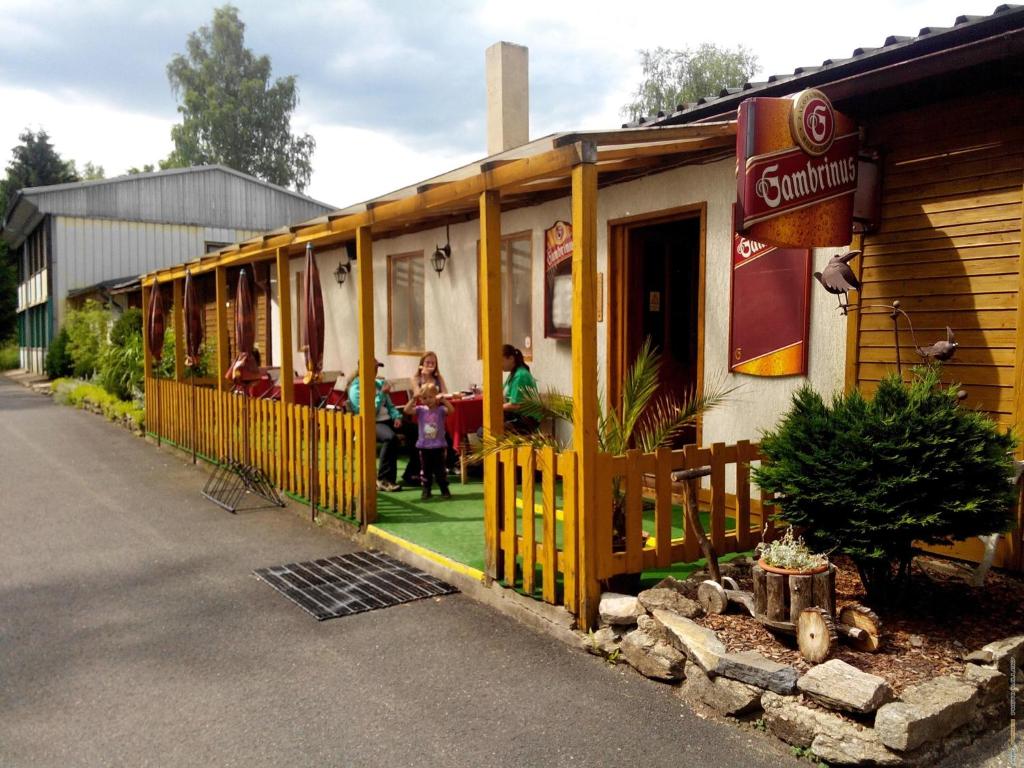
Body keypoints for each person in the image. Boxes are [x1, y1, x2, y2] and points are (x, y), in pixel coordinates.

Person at [347, 360, 404, 492]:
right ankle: (383, 480)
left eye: (377, 368)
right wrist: (382, 394)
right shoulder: (356, 389)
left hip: (387, 420)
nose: (375, 371)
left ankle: (412, 474)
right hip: (371, 422)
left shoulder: (378, 384)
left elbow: (390, 406)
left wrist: (396, 417)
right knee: (390, 438)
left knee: (415, 430)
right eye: (373, 368)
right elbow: (369, 413)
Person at [404, 383, 453, 500]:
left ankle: (444, 489)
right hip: (424, 446)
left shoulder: (440, 410)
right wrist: (413, 399)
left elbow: (451, 410)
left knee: (440, 469)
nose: (428, 400)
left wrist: (444, 400)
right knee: (426, 470)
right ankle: (426, 489)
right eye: (425, 398)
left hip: (438, 446)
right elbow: (406, 410)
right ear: (421, 399)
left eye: (431, 397)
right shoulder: (420, 410)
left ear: (436, 397)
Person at [501, 344, 539, 433]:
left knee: (487, 431)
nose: (499, 364)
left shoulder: (520, 376)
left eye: (501, 361)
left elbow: (515, 405)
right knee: (484, 428)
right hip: (516, 415)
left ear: (511, 358)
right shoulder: (513, 374)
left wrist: (498, 407)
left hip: (526, 420)